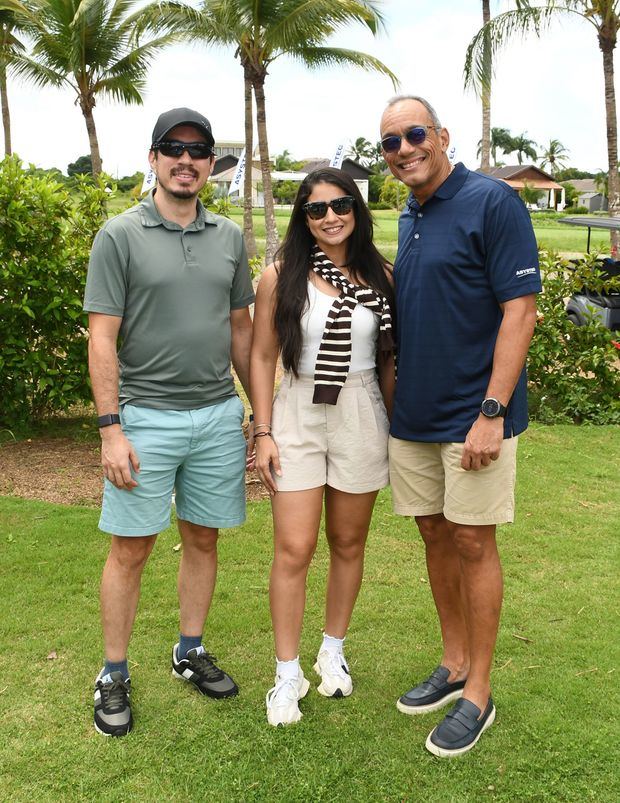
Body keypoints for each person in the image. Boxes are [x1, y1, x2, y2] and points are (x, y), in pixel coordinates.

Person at [83, 108, 255, 736]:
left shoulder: (229, 238)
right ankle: (113, 673)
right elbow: (102, 339)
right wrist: (110, 428)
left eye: (199, 150)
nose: (186, 160)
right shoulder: (119, 235)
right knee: (131, 549)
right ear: (153, 158)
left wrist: (258, 417)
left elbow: (241, 333)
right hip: (145, 419)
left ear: (212, 164)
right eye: (173, 149)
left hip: (215, 416)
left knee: (204, 539)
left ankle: (189, 649)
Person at [380, 95, 541, 757]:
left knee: (473, 544)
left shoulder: (493, 202)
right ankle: (451, 663)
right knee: (434, 533)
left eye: (415, 133)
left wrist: (492, 413)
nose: (405, 148)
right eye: (391, 142)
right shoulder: (411, 213)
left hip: (473, 418)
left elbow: (521, 311)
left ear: (442, 135)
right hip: (414, 415)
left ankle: (478, 690)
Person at [250, 168, 395, 726]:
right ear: (303, 219)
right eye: (316, 209)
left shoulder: (381, 275)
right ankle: (287, 673)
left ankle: (332, 650)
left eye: (340, 205)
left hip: (360, 409)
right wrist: (262, 431)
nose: (330, 216)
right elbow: (262, 357)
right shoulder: (281, 275)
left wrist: (398, 427)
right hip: (297, 409)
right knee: (293, 547)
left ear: (356, 210)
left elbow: (387, 359)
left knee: (348, 540)